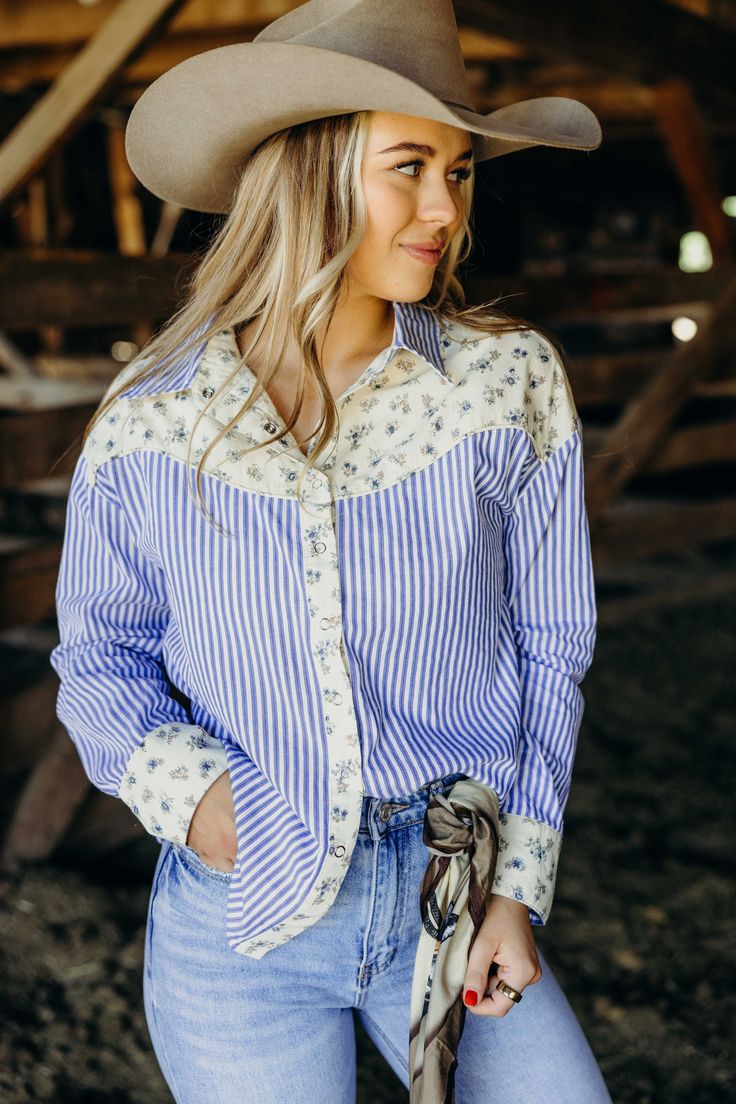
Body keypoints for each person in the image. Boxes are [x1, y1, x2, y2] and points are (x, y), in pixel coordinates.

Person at [49, 1, 613, 1101]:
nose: (444, 207)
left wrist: (516, 890)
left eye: (458, 171)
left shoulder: (509, 388)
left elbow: (554, 644)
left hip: (452, 888)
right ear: (308, 173)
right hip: (240, 920)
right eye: (409, 165)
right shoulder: (152, 421)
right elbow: (98, 658)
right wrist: (204, 803)